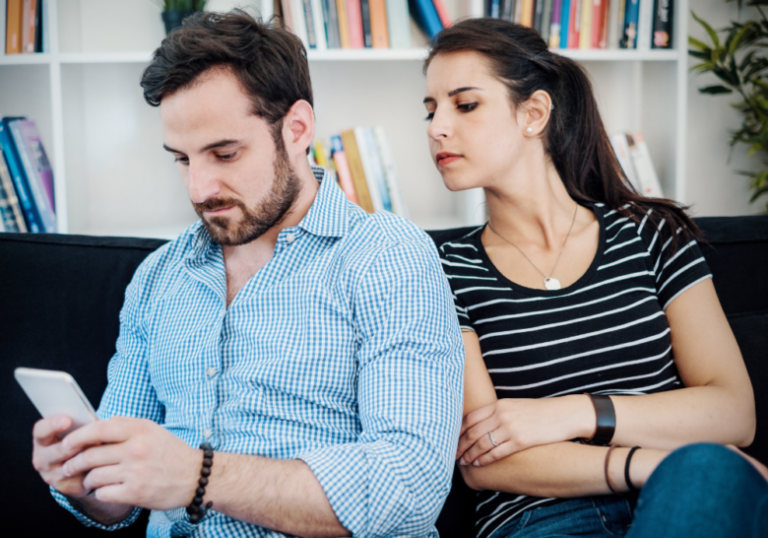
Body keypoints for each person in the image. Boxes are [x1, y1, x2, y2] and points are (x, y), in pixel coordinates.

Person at [30, 11, 464, 538]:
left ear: (297, 129)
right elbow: (116, 503)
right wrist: (84, 480)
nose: (199, 188)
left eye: (224, 153)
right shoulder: (157, 279)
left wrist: (197, 476)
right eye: (182, 159)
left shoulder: (387, 257)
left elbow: (408, 491)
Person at [424, 17, 768, 538]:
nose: (436, 128)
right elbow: (484, 459)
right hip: (543, 517)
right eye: (429, 111)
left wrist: (573, 414)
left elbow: (734, 412)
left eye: (464, 104)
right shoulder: (443, 270)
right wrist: (644, 463)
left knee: (707, 472)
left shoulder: (650, 233)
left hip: (684, 495)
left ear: (533, 113)